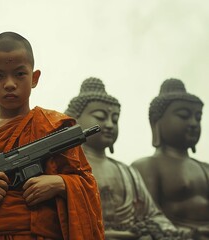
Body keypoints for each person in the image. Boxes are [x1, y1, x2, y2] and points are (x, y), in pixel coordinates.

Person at [0, 31, 104, 239]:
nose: (10, 84)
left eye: (20, 74)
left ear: (34, 78)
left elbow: (87, 185)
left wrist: (60, 183)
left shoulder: (53, 127)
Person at [65, 77, 189, 240]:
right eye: (100, 117)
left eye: (115, 119)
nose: (109, 124)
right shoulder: (65, 165)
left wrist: (167, 231)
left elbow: (153, 215)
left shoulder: (128, 172)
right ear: (73, 121)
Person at [131, 78, 208, 239]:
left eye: (198, 117)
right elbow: (148, 218)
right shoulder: (147, 166)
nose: (193, 123)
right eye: (184, 116)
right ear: (156, 122)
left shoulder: (205, 168)